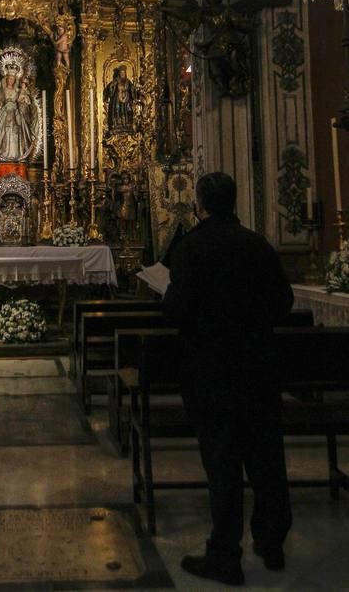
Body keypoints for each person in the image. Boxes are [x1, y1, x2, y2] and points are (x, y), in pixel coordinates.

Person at [163, 172, 293, 587]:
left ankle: (224, 555)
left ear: (199, 204)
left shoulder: (190, 248)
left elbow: (176, 312)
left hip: (211, 372)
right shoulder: (257, 245)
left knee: (222, 466)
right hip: (257, 367)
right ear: (233, 202)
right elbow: (284, 302)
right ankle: (272, 544)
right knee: (266, 460)